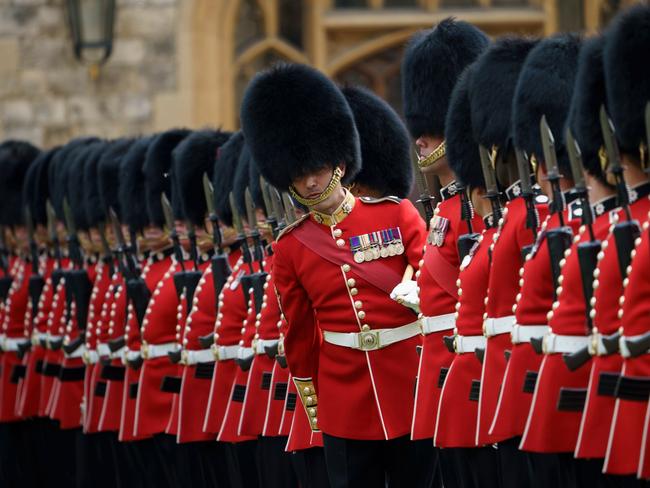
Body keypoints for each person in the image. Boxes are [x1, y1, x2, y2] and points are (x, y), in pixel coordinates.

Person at [241, 62, 428, 488]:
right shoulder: (290, 248)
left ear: (338, 162)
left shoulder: (396, 213)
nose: (309, 182)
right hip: (344, 394)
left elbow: (428, 272)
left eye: (317, 169)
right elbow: (299, 329)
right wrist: (312, 399)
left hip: (408, 382)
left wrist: (415, 286)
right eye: (299, 174)